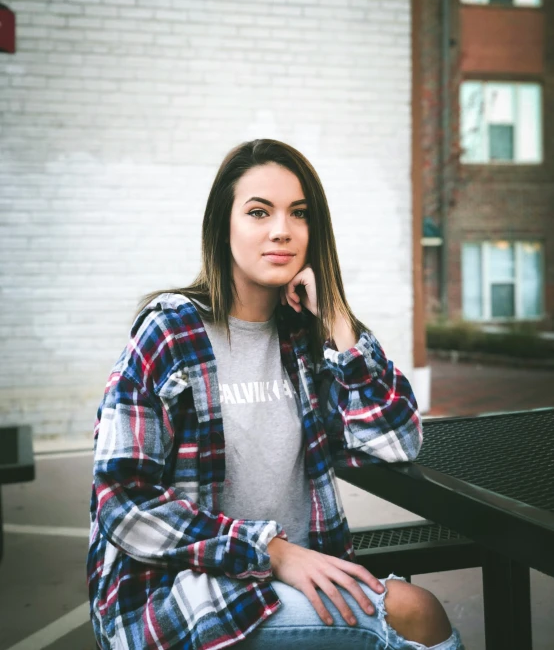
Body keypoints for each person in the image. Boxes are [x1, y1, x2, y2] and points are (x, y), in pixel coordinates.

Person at [87, 138, 464, 650]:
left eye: (299, 213)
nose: (282, 230)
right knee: (415, 612)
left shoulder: (306, 338)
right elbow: (122, 500)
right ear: (224, 225)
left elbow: (397, 442)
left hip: (297, 576)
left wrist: (338, 322)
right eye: (259, 212)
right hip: (187, 592)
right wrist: (273, 552)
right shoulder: (171, 333)